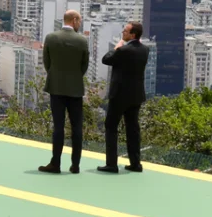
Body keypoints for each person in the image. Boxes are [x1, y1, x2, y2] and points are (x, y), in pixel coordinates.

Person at [39, 9, 89, 174]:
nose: (80, 24)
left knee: (58, 127)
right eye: (79, 21)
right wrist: (74, 77)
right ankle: (75, 165)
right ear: (74, 20)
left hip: (56, 87)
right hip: (75, 89)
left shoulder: (51, 38)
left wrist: (56, 76)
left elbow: (47, 63)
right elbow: (84, 66)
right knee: (77, 128)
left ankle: (55, 164)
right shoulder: (82, 40)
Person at [97, 20, 149, 174]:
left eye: (125, 31)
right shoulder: (145, 50)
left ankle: (112, 164)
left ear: (133, 34)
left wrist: (117, 46)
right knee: (133, 129)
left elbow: (106, 59)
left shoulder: (124, 50)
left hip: (119, 95)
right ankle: (135, 163)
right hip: (136, 95)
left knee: (111, 127)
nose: (123, 33)